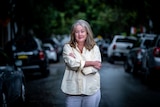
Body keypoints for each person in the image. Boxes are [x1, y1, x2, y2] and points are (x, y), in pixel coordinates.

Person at [61, 19, 102, 107]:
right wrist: (91, 62)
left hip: (91, 90)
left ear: (87, 33)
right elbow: (71, 64)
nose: (80, 34)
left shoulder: (94, 48)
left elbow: (96, 68)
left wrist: (78, 63)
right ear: (73, 34)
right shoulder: (67, 47)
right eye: (77, 32)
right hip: (73, 91)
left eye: (82, 31)